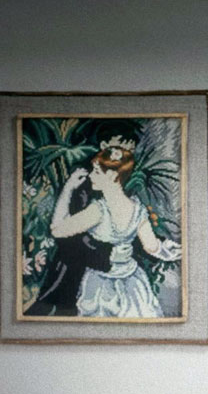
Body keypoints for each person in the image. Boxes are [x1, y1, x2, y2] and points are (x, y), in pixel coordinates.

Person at [47, 136, 181, 318]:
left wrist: (68, 188)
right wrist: (172, 251)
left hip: (100, 285)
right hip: (134, 282)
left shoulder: (99, 210)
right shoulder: (137, 208)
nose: (91, 176)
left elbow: (57, 229)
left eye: (96, 171)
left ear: (111, 175)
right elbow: (153, 247)